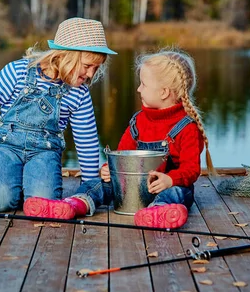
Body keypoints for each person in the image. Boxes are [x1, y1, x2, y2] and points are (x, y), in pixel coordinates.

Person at [23, 49, 216, 229]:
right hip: (131, 188)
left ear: (164, 92)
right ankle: (75, 204)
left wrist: (170, 179)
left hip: (165, 187)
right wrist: (110, 169)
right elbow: (122, 155)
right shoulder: (138, 121)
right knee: (98, 184)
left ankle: (159, 211)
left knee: (177, 193)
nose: (139, 89)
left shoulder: (187, 127)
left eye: (143, 84)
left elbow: (191, 170)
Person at [0, 17, 117, 212]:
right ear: (65, 55)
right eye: (87, 66)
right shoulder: (17, 72)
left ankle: (24, 187)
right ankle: (0, 189)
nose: (90, 75)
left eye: (95, 69)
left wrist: (89, 186)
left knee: (45, 201)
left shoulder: (79, 93)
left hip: (45, 153)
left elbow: (86, 139)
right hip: (6, 148)